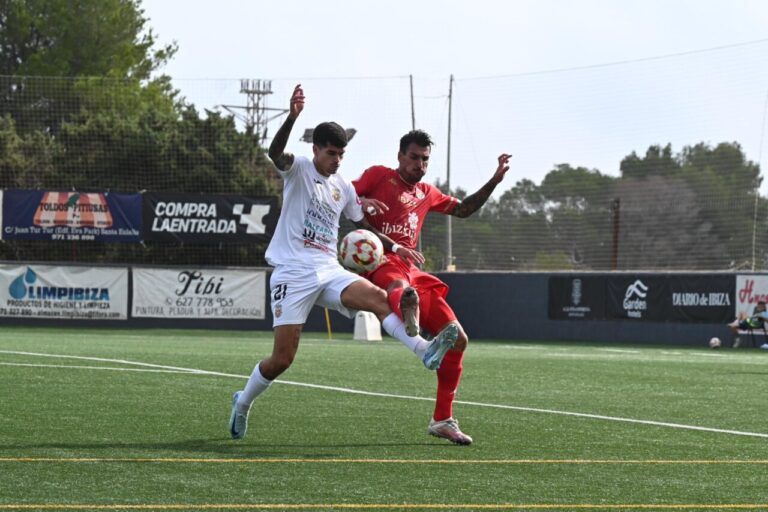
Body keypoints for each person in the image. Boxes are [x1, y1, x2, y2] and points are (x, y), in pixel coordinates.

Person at [228, 85, 459, 440]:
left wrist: (393, 248)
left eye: (342, 154)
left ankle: (425, 350)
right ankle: (243, 402)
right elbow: (275, 152)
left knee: (380, 300)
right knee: (282, 359)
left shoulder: (343, 187)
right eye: (331, 153)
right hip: (293, 270)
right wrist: (292, 117)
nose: (337, 160)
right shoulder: (300, 169)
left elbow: (361, 225)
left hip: (329, 267)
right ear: (315, 150)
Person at [353, 129, 512, 445]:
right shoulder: (378, 176)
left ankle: (442, 419)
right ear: (400, 156)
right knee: (398, 284)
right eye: (414, 158)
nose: (419, 165)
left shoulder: (427, 192)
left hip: (413, 271)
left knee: (459, 340)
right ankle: (411, 321)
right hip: (381, 261)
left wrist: (494, 181)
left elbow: (464, 209)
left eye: (425, 160)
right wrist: (362, 201)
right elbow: (347, 205)